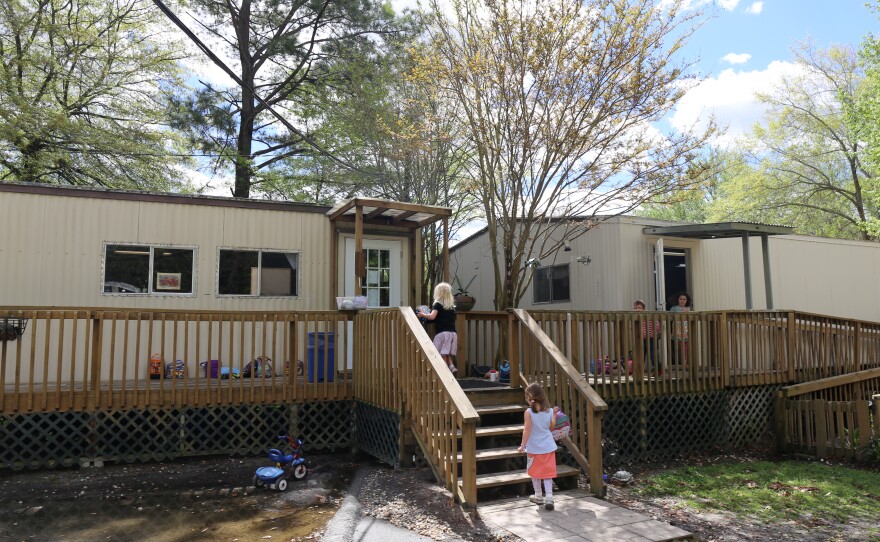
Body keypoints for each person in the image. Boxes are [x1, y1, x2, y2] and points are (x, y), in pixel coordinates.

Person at [517, 382, 559, 511]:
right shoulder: (550, 411)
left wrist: (523, 445)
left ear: (530, 398)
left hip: (534, 448)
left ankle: (538, 495)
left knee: (535, 473)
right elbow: (551, 427)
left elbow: (527, 430)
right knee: (547, 473)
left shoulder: (528, 412)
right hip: (548, 447)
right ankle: (550, 497)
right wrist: (555, 415)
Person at [418, 282, 458, 374]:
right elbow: (442, 317)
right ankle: (452, 367)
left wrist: (422, 314)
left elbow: (432, 317)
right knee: (445, 352)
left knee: (439, 354)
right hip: (452, 334)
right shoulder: (451, 306)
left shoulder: (438, 304)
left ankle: (444, 373)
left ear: (438, 293)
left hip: (442, 334)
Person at [633, 300, 661, 375]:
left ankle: (658, 369)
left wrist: (655, 333)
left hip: (651, 338)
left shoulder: (648, 316)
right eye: (636, 308)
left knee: (653, 355)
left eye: (640, 308)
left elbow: (657, 325)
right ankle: (639, 372)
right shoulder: (634, 318)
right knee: (641, 355)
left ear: (643, 309)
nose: (638, 309)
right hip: (641, 339)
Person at [670, 292, 692, 367]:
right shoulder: (674, 308)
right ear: (678, 299)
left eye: (684, 299)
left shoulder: (688, 308)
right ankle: (677, 363)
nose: (682, 301)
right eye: (680, 299)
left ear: (687, 300)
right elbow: (669, 317)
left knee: (685, 348)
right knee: (676, 348)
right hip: (677, 330)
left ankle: (684, 363)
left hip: (685, 330)